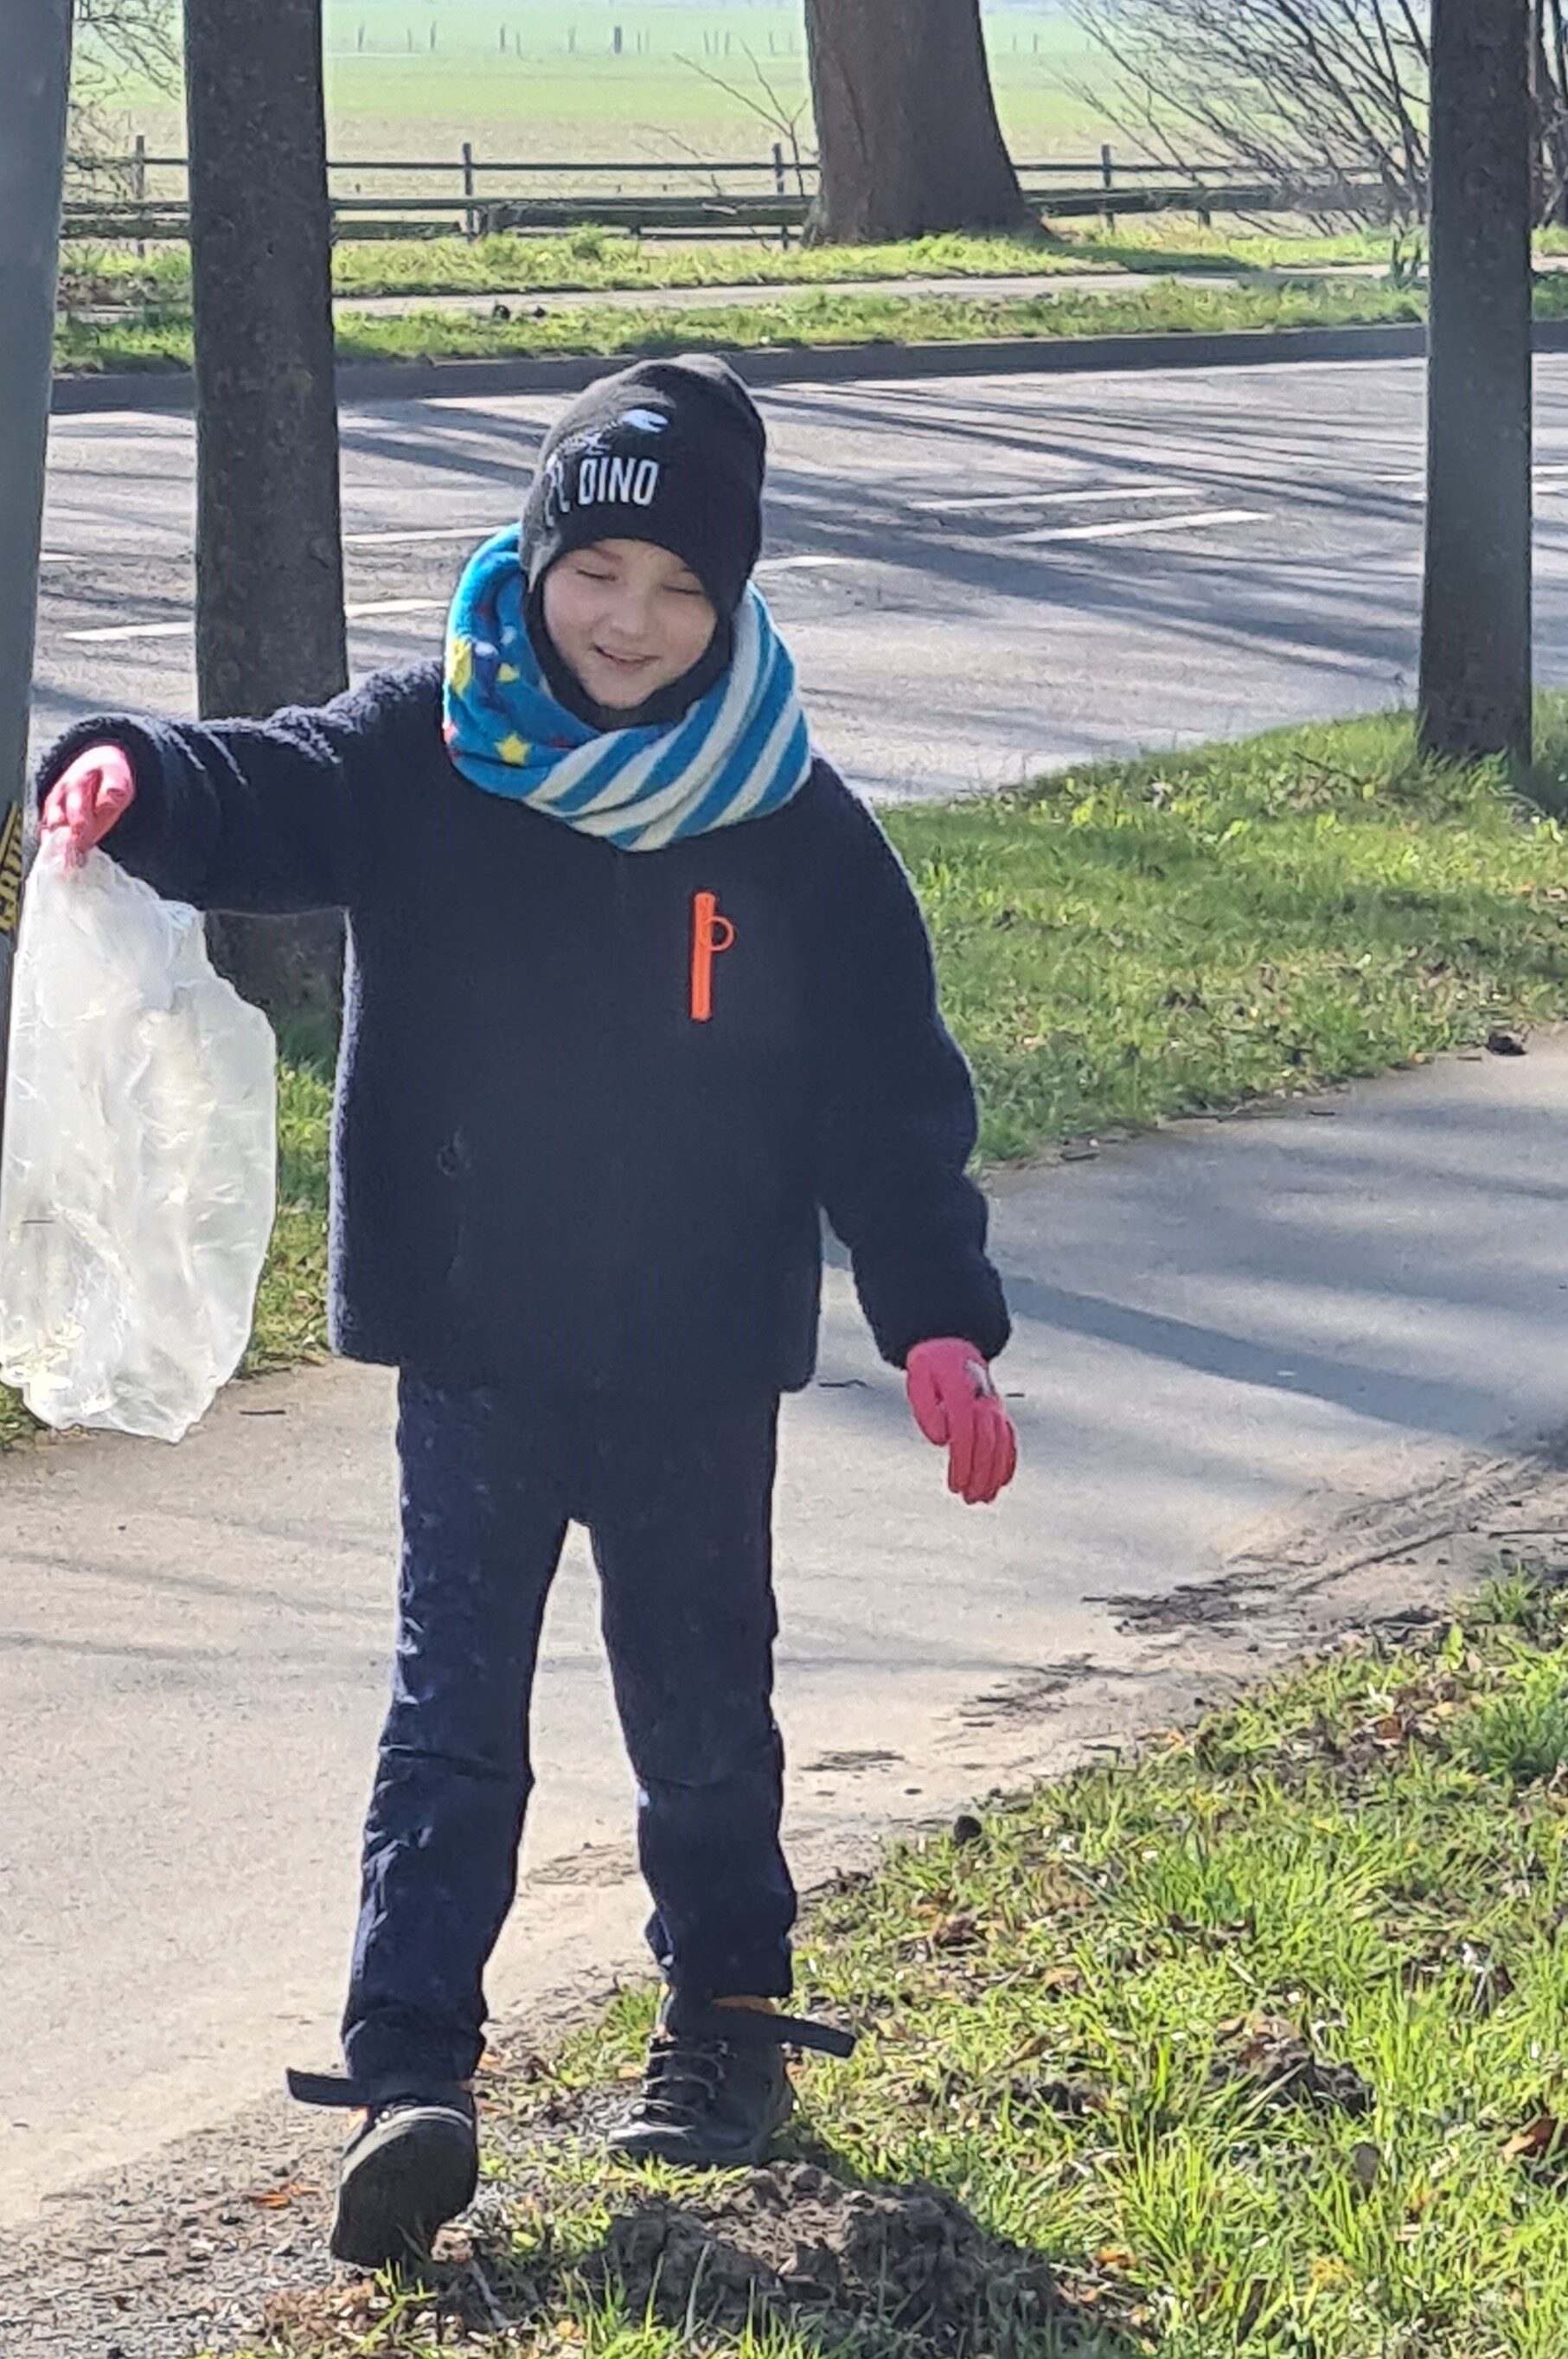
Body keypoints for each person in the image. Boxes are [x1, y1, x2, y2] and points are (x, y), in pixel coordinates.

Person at [36, 355, 1018, 2270]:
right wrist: (134, 769)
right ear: (536, 554)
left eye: (677, 587)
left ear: (731, 600)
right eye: (597, 572)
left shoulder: (794, 822)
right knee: (452, 1712)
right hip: (478, 1336)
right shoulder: (428, 747)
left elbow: (885, 1089)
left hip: (697, 1355)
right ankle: (414, 2069)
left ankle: (724, 2022)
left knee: (702, 1710)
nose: (629, 620)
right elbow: (272, 781)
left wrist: (936, 1314)